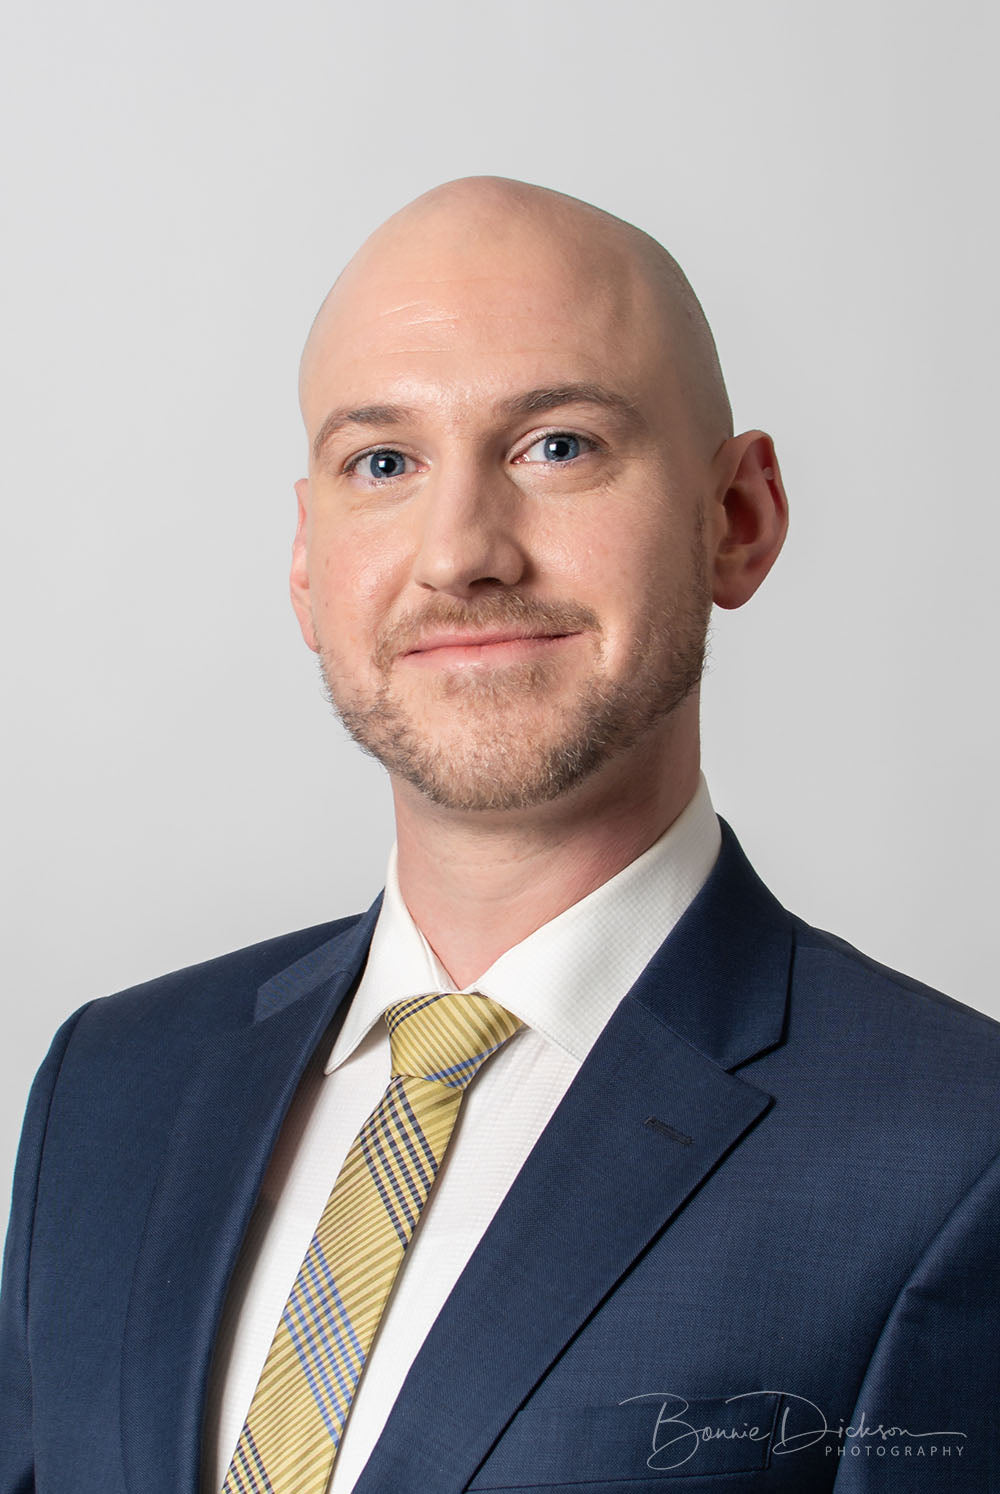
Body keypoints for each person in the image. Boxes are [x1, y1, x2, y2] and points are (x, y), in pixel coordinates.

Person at [1, 176, 998, 1494]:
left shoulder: (956, 1155)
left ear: (737, 518)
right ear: (309, 562)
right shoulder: (108, 1087)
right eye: (384, 463)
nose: (462, 551)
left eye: (559, 446)